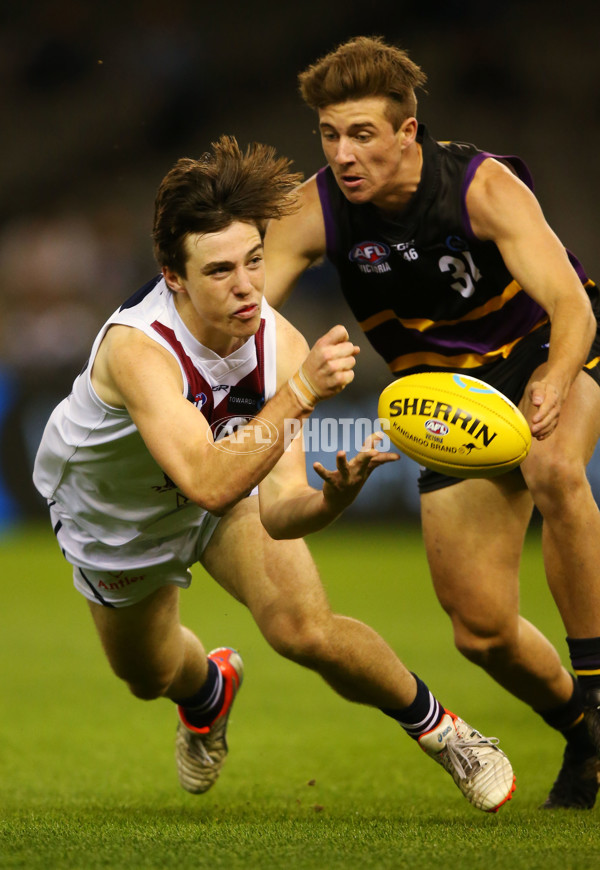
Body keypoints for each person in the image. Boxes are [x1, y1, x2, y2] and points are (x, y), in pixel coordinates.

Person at [33, 135, 515, 812]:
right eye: (221, 270)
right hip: (116, 517)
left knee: (304, 628)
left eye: (255, 262)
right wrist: (303, 392)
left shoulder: (279, 345)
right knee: (147, 676)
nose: (246, 287)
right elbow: (204, 477)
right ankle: (206, 692)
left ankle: (447, 733)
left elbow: (281, 506)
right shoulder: (139, 350)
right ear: (174, 277)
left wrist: (334, 499)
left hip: (225, 490)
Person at [263, 36, 600, 810]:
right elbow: (251, 312)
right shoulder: (314, 210)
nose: (343, 154)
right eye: (329, 135)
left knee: (554, 469)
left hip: (548, 347)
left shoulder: (483, 187)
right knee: (480, 631)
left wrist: (553, 376)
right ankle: (584, 735)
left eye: (362, 134)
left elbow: (573, 304)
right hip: (447, 399)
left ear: (408, 132)